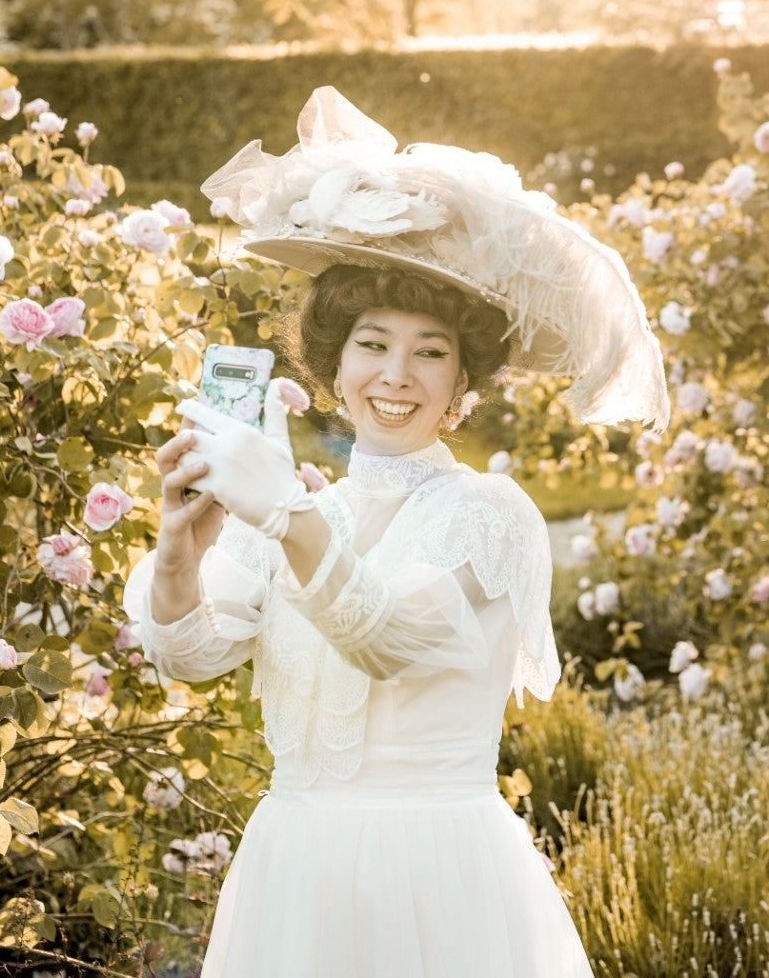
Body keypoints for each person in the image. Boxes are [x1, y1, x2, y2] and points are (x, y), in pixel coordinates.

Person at [124, 87, 668, 977]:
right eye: (372, 344)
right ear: (334, 366)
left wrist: (281, 512)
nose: (396, 375)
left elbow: (389, 637)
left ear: (464, 387)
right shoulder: (301, 509)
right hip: (293, 871)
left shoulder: (489, 514)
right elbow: (188, 655)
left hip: (437, 872)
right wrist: (180, 550)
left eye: (430, 351)